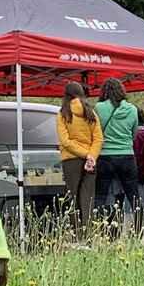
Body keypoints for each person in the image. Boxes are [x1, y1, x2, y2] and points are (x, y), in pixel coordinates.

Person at [94, 80, 142, 230]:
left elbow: (96, 132)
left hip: (105, 156)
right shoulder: (132, 109)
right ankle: (140, 228)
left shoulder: (99, 107)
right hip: (127, 155)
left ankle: (100, 229)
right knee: (133, 195)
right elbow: (134, 134)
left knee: (101, 195)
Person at [54, 81, 101, 232]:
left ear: (66, 95)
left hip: (70, 161)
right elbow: (99, 138)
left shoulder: (63, 114)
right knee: (88, 198)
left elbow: (65, 141)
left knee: (72, 198)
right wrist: (91, 156)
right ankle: (88, 234)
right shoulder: (91, 112)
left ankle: (75, 232)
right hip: (90, 161)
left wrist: (85, 154)